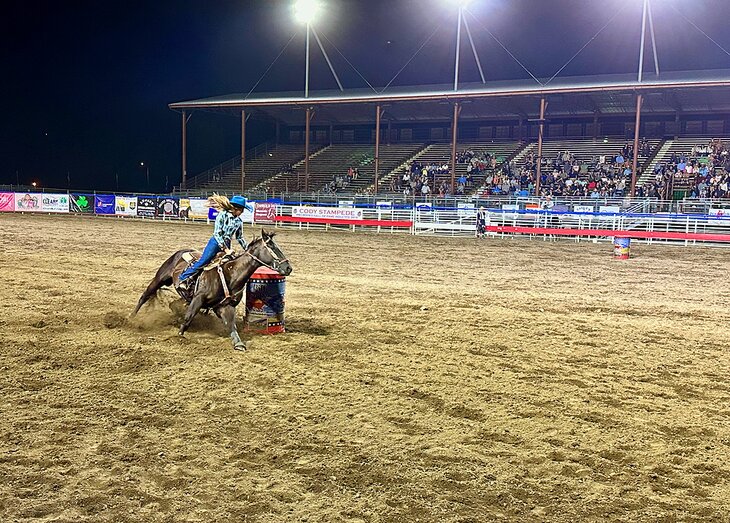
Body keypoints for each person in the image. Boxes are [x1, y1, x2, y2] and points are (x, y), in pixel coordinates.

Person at [178, 194, 253, 290]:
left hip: (227, 243)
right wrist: (226, 250)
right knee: (204, 261)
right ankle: (183, 278)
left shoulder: (239, 222)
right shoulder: (222, 215)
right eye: (241, 210)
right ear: (235, 208)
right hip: (216, 242)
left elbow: (240, 237)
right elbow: (217, 234)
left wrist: (248, 249)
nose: (242, 212)